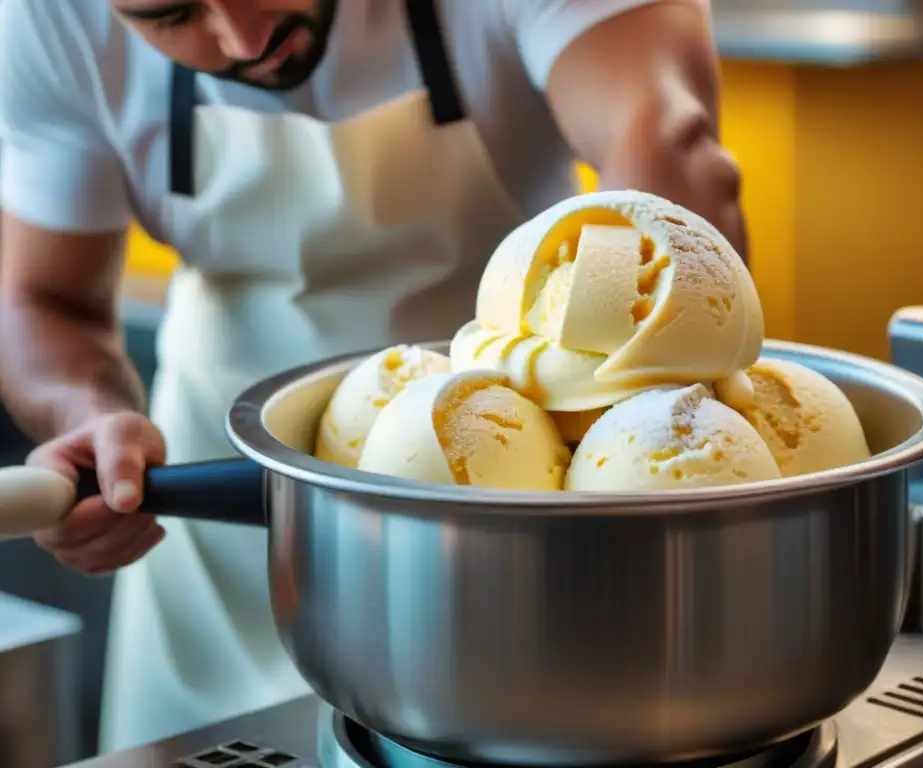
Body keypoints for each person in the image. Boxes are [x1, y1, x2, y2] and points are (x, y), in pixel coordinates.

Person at [0, 0, 747, 754]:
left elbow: (660, 133)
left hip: (513, 524)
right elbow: (41, 299)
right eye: (170, 16)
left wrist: (631, 422)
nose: (245, 39)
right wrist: (85, 414)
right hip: (225, 533)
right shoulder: (49, 17)